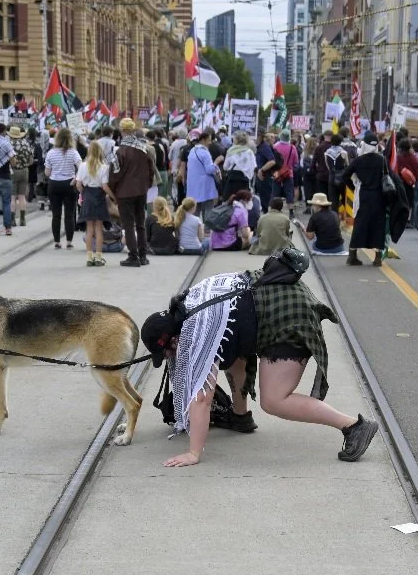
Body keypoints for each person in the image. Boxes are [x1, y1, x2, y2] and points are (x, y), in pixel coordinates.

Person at [141, 250, 379, 468]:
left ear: (173, 340)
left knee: (274, 400)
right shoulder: (189, 304)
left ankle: (353, 426)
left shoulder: (198, 331)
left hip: (288, 314)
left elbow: (202, 397)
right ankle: (240, 416)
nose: (172, 357)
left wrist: (193, 453)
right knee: (232, 356)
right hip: (277, 295)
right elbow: (231, 349)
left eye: (168, 353)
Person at [110, 118, 157, 267]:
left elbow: (115, 174)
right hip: (141, 191)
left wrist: (113, 191)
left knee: (129, 225)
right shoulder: (144, 148)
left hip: (125, 193)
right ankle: (143, 255)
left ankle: (133, 255)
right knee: (140, 223)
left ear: (122, 131)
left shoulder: (119, 151)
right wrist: (146, 185)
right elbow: (151, 170)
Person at [346, 145, 391, 267]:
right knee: (378, 225)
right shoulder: (381, 160)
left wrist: (353, 186)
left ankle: (352, 255)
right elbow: (387, 175)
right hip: (378, 196)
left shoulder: (358, 160)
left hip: (363, 196)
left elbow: (345, 175)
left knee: (360, 224)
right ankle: (377, 258)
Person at [44, 127, 80, 249]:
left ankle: (57, 242)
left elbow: (47, 173)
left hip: (54, 184)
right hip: (69, 184)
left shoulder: (51, 153)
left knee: (56, 214)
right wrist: (76, 178)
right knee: (70, 214)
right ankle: (69, 241)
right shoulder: (73, 152)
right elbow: (81, 167)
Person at [76, 140, 111, 266]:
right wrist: (113, 197)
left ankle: (89, 258)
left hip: (88, 196)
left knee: (89, 229)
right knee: (98, 229)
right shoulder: (104, 167)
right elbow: (105, 186)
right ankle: (98, 257)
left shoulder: (83, 166)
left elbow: (78, 184)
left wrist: (82, 193)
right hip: (99, 197)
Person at [185, 129, 222, 223]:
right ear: (203, 140)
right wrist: (216, 163)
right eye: (209, 140)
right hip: (205, 186)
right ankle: (207, 229)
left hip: (194, 185)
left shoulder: (192, 150)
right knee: (208, 208)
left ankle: (194, 227)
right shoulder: (205, 153)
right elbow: (209, 169)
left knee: (195, 209)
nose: (210, 143)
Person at [221, 131, 256, 198]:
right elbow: (253, 166)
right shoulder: (249, 152)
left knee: (230, 200)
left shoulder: (230, 150)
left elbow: (225, 167)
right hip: (244, 179)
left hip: (232, 179)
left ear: (237, 139)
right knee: (242, 200)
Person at [272, 130, 299, 205]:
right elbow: (296, 162)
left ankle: (275, 208)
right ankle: (291, 211)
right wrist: (292, 169)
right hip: (288, 172)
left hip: (276, 172)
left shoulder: (275, 147)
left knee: (275, 192)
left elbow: (271, 160)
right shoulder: (292, 148)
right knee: (289, 192)